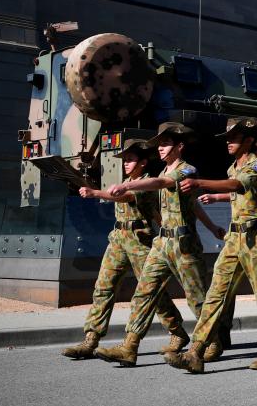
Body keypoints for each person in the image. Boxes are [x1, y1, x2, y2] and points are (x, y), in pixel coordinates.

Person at [94, 122, 227, 366]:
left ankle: (214, 341)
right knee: (144, 292)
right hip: (161, 242)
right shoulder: (164, 172)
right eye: (160, 144)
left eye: (166, 144)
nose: (161, 148)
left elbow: (162, 186)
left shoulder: (187, 171)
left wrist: (126, 184)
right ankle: (129, 347)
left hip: (184, 244)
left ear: (180, 146)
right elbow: (184, 201)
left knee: (196, 299)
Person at [163, 117, 257, 373]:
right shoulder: (232, 168)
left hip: (255, 239)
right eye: (227, 138)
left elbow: (239, 185)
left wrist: (199, 183)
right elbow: (236, 192)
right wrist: (217, 195)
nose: (228, 142)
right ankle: (195, 351)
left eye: (234, 138)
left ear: (248, 141)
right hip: (233, 238)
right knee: (215, 295)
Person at [62, 139, 186, 359]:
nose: (126, 164)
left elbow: (127, 196)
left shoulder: (146, 183)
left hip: (140, 241)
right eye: (125, 160)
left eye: (130, 160)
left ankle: (177, 332)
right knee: (103, 287)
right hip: (119, 238)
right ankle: (91, 339)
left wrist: (95, 193)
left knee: (151, 292)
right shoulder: (127, 180)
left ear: (143, 163)